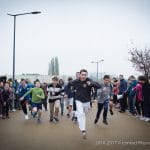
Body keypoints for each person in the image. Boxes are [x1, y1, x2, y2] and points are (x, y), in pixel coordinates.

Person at [71, 69, 100, 139]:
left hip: (87, 102)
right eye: (82, 75)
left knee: (84, 114)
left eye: (85, 75)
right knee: (81, 115)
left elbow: (98, 86)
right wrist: (68, 92)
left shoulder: (89, 80)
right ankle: (83, 130)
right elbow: (69, 85)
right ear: (80, 75)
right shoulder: (76, 81)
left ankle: (76, 113)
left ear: (87, 75)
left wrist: (91, 84)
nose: (84, 76)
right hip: (78, 100)